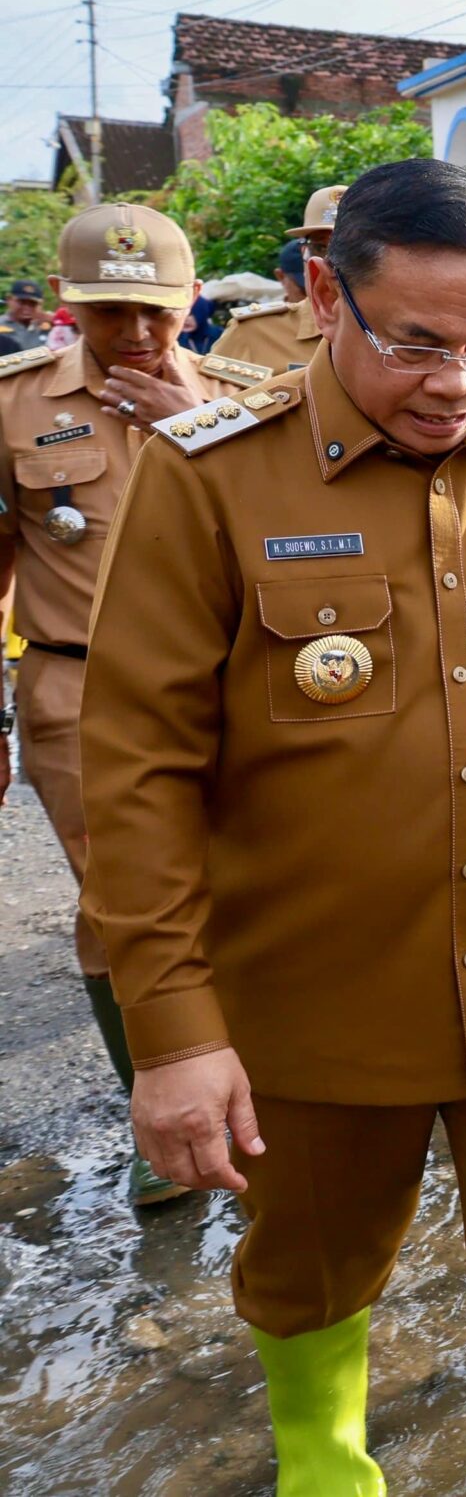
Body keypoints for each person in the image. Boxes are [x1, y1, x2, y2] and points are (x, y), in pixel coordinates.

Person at [80, 158, 466, 1493]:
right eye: (418, 341)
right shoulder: (215, 481)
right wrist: (173, 1032)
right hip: (313, 999)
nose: (457, 381)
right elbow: (139, 772)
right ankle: (325, 1459)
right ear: (328, 294)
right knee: (308, 1268)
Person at [0, 201, 272, 1208]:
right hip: (78, 689)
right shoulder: (16, 402)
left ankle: (258, 1081)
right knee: (122, 904)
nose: (140, 334)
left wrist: (189, 426)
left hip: (229, 683)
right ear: (70, 306)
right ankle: (157, 1112)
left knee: (248, 888)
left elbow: (293, 524)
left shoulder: (245, 399)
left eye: (157, 310)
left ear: (191, 301)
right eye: (113, 312)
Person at [211, 186, 343, 375]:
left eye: (349, 251)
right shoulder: (253, 333)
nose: (330, 264)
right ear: (304, 255)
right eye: (320, 248)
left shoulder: (394, 336)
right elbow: (212, 401)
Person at [4, 278, 47, 349]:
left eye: (33, 303)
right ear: (9, 300)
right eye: (22, 302)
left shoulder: (47, 327)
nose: (27, 307)